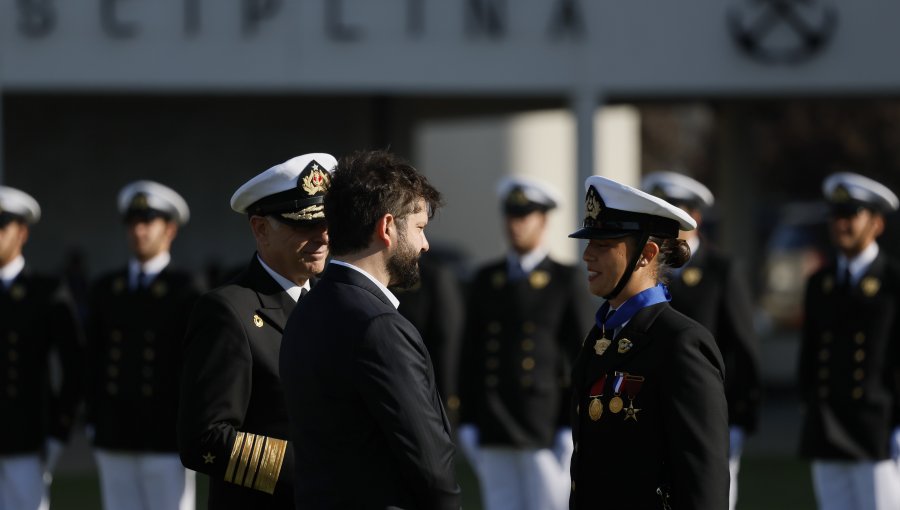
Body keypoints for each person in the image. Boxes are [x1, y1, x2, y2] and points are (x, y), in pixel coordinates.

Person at [280, 149, 461, 509]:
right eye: (420, 228)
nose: (425, 244)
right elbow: (431, 465)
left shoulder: (306, 309)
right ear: (388, 227)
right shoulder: (378, 326)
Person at [178, 153, 334, 509]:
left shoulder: (331, 301)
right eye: (305, 224)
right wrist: (317, 470)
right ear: (261, 229)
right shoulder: (228, 310)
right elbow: (204, 438)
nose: (322, 236)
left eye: (327, 223)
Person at [568, 175, 729, 509]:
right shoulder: (600, 337)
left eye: (604, 244)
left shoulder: (681, 343)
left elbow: (703, 482)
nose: (587, 255)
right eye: (589, 242)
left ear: (646, 253)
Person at [456, 176, 592, 510]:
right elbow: (470, 352)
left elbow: (583, 357)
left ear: (543, 220)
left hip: (543, 426)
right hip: (494, 421)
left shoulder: (565, 279)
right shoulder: (487, 279)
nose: (514, 225)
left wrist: (570, 424)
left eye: (524, 216)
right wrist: (468, 417)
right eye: (510, 216)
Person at [642, 170, 762, 510]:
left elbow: (743, 346)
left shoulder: (721, 271)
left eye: (671, 214)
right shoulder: (647, 269)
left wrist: (740, 416)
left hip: (709, 411)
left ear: (693, 217)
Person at [85, 180, 201, 510]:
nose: (139, 231)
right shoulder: (107, 288)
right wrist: (94, 420)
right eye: (134, 223)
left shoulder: (187, 290)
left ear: (170, 229)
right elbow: (92, 358)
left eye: (148, 222)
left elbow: (194, 365)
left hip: (164, 435)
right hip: (114, 433)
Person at [797, 172, 900, 510]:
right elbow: (811, 352)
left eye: (851, 216)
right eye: (836, 216)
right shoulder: (820, 282)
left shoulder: (892, 281)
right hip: (827, 425)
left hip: (877, 429)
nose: (841, 225)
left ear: (877, 224)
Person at [0, 186, 83, 510]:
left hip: (27, 440)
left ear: (22, 233)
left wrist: (58, 432)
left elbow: (75, 365)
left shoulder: (45, 292)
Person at [393, 252, 465, 421]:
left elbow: (447, 344)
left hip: (425, 394)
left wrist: (446, 400)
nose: (425, 244)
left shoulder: (434, 276)